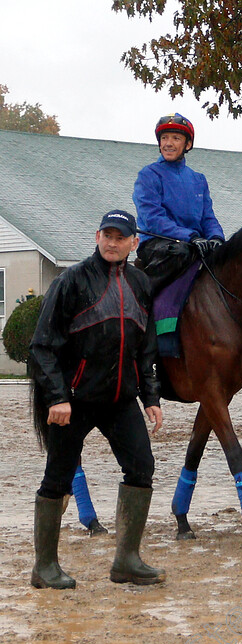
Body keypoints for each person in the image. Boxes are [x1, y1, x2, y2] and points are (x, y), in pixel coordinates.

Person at [29, 210, 165, 589]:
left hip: (120, 399)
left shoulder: (141, 283)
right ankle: (44, 567)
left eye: (120, 237)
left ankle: (127, 560)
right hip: (74, 400)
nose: (112, 241)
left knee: (141, 468)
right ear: (97, 236)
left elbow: (146, 348)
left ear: (133, 243)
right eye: (106, 234)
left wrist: (150, 396)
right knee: (57, 478)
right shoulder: (71, 281)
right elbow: (42, 346)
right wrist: (57, 397)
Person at [133, 113, 225, 290]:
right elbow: (153, 219)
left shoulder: (199, 179)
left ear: (187, 144)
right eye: (164, 138)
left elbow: (208, 218)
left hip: (194, 244)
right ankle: (142, 302)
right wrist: (191, 237)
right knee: (182, 253)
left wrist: (216, 238)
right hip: (158, 245)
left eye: (176, 138)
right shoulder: (149, 175)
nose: (168, 143)